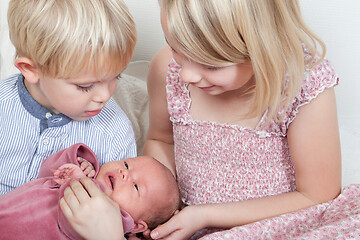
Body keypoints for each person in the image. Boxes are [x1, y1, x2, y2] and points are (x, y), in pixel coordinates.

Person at [56, 0, 360, 239]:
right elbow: (161, 139)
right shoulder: (167, 69)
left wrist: (205, 215)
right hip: (187, 221)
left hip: (277, 223)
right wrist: (158, 209)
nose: (187, 74)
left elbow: (317, 195)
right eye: (177, 48)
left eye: (208, 64)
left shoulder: (301, 85)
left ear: (261, 46)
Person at [0, 0, 137, 195]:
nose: (105, 96)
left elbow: (120, 212)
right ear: (30, 70)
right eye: (85, 86)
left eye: (116, 76)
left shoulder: (114, 134)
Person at [0, 143, 181, 239]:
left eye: (136, 186)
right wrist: (74, 165)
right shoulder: (88, 174)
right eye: (127, 164)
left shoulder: (113, 221)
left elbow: (75, 223)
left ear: (135, 226)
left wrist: (78, 182)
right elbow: (46, 173)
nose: (124, 173)